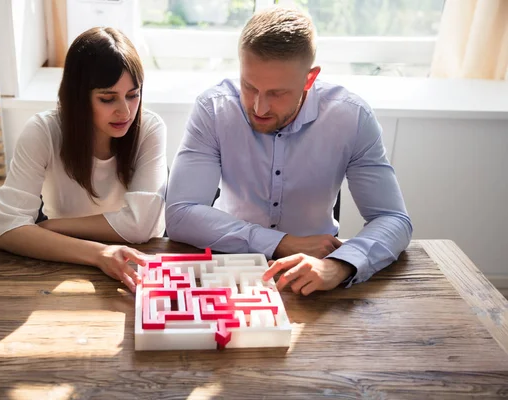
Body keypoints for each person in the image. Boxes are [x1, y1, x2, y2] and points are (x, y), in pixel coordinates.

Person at [165, 7, 413, 296]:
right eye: (249, 86)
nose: (259, 107)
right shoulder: (213, 110)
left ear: (309, 79)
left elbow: (393, 219)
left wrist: (339, 265)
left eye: (276, 93)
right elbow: (180, 214)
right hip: (226, 265)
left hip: (316, 271)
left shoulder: (352, 118)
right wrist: (280, 242)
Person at [0, 27, 168, 293]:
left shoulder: (149, 128)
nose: (125, 111)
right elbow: (8, 228)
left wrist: (49, 227)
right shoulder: (43, 131)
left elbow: (140, 226)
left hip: (135, 260)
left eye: (133, 95)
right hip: (67, 260)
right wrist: (99, 254)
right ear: (79, 97)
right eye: (107, 98)